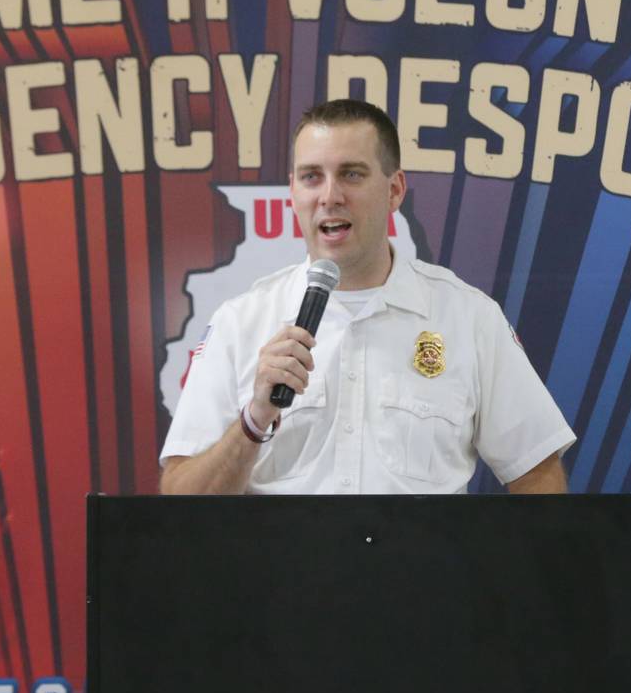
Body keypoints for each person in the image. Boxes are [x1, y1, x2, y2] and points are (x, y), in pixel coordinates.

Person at [159, 99, 574, 495]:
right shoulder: (241, 322)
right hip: (285, 570)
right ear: (293, 193)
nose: (329, 196)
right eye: (311, 177)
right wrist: (254, 419)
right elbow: (182, 497)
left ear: (394, 190)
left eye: (352, 174)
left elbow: (537, 470)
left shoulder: (468, 317)